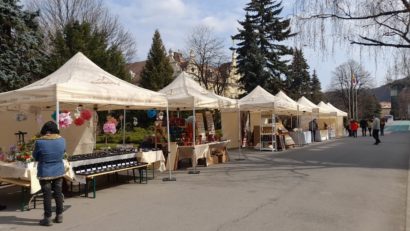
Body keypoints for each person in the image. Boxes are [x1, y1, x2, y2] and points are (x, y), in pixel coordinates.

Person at [33, 121, 66, 226]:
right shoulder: (62, 140)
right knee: (58, 193)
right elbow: (63, 152)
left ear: (45, 130)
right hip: (58, 170)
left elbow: (36, 157)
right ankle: (59, 215)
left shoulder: (39, 142)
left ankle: (47, 218)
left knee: (47, 195)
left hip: (45, 171)